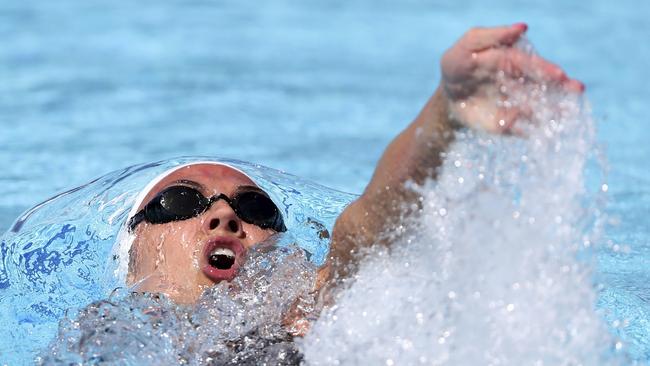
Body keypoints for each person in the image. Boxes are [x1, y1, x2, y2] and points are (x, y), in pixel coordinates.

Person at [125, 23, 583, 314]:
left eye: (255, 208)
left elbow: (364, 234)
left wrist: (447, 114)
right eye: (180, 201)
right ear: (130, 259)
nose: (225, 216)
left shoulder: (305, 317)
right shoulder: (100, 339)